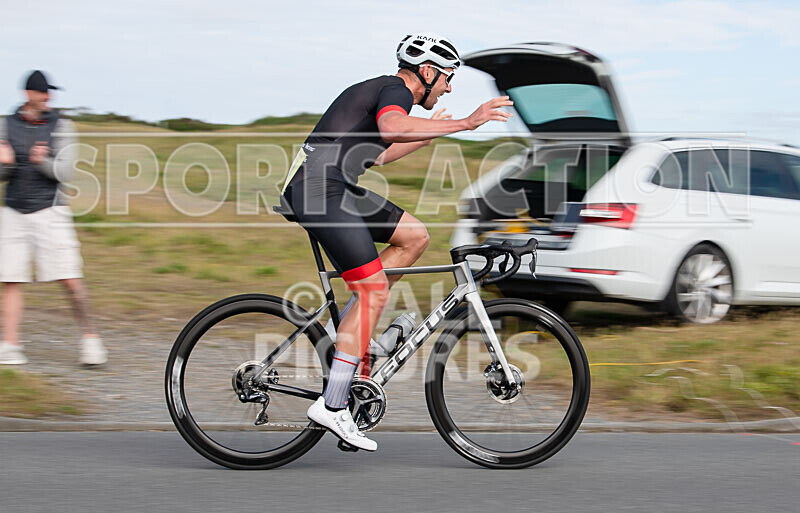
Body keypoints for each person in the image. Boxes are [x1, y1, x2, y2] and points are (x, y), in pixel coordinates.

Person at [279, 34, 513, 451]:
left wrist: (434, 132)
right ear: (427, 72)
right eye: (447, 78)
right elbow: (391, 127)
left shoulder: (385, 94)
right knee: (372, 289)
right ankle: (333, 405)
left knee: (414, 236)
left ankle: (358, 334)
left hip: (330, 187)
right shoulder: (394, 90)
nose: (449, 87)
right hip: (319, 191)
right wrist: (465, 122)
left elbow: (380, 153)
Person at [0, 70, 107, 366]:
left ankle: (91, 340)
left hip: (50, 210)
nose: (48, 97)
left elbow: (66, 173)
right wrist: (4, 164)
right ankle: (9, 345)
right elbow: (1, 174)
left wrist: (42, 161)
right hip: (13, 211)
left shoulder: (62, 126)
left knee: (70, 278)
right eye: (43, 92)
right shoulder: (5, 126)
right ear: (29, 95)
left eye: (50, 92)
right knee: (10, 279)